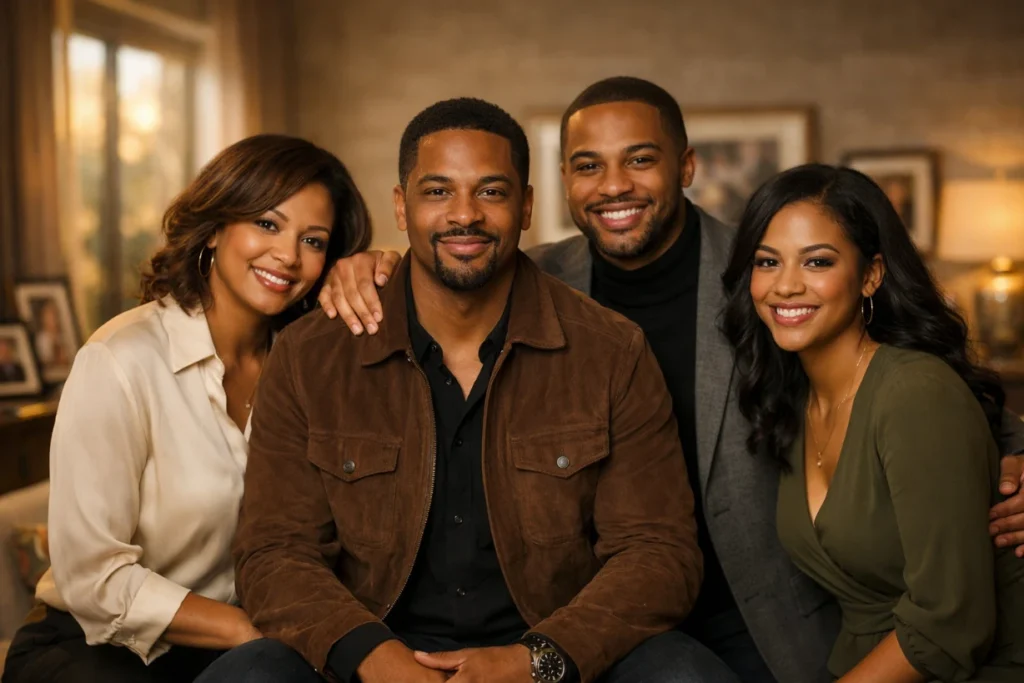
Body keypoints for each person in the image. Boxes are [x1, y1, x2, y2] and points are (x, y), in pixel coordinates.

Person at [317, 77, 1024, 683]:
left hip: (757, 610)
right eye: (588, 165)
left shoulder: (762, 276)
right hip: (594, 611)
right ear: (559, 185)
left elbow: (908, 374)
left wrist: (1016, 453)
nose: (614, 185)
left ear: (686, 165)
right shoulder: (536, 281)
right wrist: (373, 264)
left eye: (641, 160)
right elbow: (444, 269)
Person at [196, 97, 736, 683]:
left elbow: (658, 553)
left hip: (554, 658)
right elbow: (275, 552)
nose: (464, 215)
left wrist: (536, 661)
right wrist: (370, 656)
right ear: (401, 207)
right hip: (370, 654)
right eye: (437, 192)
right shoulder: (312, 354)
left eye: (491, 192)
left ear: (526, 206)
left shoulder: (611, 350)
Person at [1, 134, 372, 683]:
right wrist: (255, 630)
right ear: (218, 226)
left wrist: (377, 267)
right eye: (267, 224)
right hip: (95, 652)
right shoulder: (120, 360)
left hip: (244, 653)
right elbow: (91, 579)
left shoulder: (307, 369)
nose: (289, 256)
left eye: (313, 240)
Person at [721, 163, 1024, 682]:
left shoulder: (914, 393)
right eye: (768, 262)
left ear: (871, 275)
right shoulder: (791, 402)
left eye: (817, 261)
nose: (786, 286)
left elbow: (951, 622)